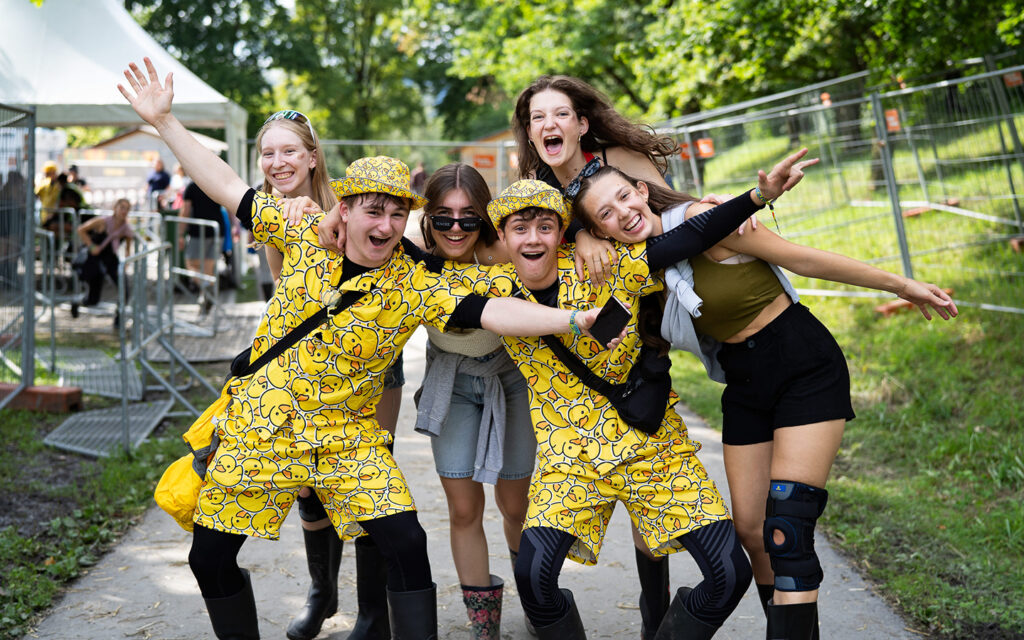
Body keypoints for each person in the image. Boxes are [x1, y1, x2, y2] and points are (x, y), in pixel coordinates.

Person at [117, 57, 618, 640]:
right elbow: (224, 181)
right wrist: (167, 121)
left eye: (396, 211)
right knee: (209, 557)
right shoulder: (303, 233)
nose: (383, 223)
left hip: (348, 436)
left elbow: (493, 307)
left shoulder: (418, 281)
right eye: (372, 208)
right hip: (262, 425)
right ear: (345, 209)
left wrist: (573, 318)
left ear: (408, 218)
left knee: (407, 543)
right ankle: (312, 599)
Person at [569, 155, 958, 639]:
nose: (623, 212)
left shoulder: (701, 221)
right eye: (605, 214)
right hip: (744, 383)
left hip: (801, 362)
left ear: (643, 192)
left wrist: (903, 285)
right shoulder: (640, 270)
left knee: (787, 530)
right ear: (600, 232)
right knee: (753, 533)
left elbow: (800, 257)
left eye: (625, 196)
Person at [453, 176, 829, 639]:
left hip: (654, 449)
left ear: (562, 233)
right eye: (520, 229)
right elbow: (419, 263)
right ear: (502, 238)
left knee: (729, 573)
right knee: (534, 577)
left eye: (545, 227)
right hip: (568, 460)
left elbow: (692, 236)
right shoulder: (487, 286)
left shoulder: (610, 264)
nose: (533, 239)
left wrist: (756, 197)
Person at [307, 163, 534, 639]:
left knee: (516, 505)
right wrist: (332, 213)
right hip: (449, 382)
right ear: (427, 217)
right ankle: (484, 626)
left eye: (468, 217)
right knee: (464, 509)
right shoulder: (409, 246)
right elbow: (364, 213)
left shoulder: (501, 251)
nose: (456, 228)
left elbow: (560, 239)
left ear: (484, 218)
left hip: (507, 379)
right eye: (444, 217)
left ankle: (536, 600)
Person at [513, 74, 698, 637]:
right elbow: (534, 237)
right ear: (529, 132)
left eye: (559, 114)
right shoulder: (537, 179)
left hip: (661, 296)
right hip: (607, 324)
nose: (549, 125)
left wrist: (716, 210)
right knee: (629, 431)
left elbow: (660, 216)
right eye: (536, 118)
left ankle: (655, 610)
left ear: (580, 121)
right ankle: (652, 610)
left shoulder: (616, 155)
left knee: (648, 437)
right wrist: (578, 235)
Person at [259, 108, 408, 640]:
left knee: (369, 481)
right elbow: (285, 294)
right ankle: (322, 593)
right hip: (301, 372)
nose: (279, 163)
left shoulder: (347, 204)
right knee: (306, 486)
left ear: (312, 156)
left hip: (370, 364)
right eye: (269, 153)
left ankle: (373, 615)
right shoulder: (274, 213)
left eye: (290, 151)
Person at [70, 198, 134, 328]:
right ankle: (77, 302)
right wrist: (92, 246)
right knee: (93, 299)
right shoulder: (102, 222)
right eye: (122, 207)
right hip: (95, 260)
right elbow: (81, 230)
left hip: (111, 259)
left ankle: (118, 319)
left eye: (127, 209)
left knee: (124, 288)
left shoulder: (126, 229)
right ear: (115, 208)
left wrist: (125, 266)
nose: (124, 211)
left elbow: (128, 249)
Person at [179, 178, 228, 314]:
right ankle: (205, 296)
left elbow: (185, 211)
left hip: (199, 231)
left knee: (190, 264)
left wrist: (180, 234)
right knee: (208, 269)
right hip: (218, 229)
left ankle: (206, 289)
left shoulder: (191, 186)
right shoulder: (215, 183)